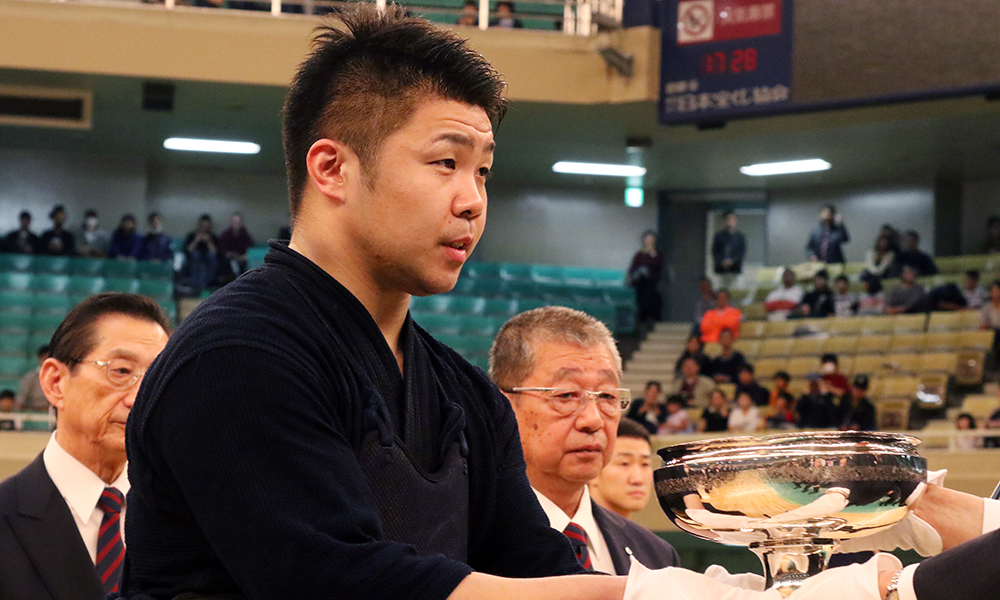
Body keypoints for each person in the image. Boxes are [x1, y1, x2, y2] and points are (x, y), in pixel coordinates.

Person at [119, 9, 635, 600]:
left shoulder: (462, 393)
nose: (473, 201)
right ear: (333, 168)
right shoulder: (236, 357)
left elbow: (541, 571)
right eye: (447, 162)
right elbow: (340, 583)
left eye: (483, 170)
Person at [0, 293, 171, 600]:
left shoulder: (187, 520)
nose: (139, 399)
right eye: (121, 371)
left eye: (156, 378)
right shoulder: (7, 513)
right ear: (55, 382)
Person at [493, 306, 680, 576]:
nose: (593, 420)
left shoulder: (656, 557)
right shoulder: (459, 546)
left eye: (607, 396)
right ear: (502, 404)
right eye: (567, 395)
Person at [590, 418, 655, 521]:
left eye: (645, 464)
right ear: (592, 470)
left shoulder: (641, 537)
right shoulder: (568, 534)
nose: (638, 479)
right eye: (624, 463)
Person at [627, 230, 664, 330]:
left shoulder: (658, 255)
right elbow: (633, 269)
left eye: (651, 239)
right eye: (647, 239)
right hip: (640, 286)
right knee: (642, 304)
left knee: (653, 302)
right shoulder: (639, 255)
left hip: (652, 285)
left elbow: (659, 269)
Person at [182, 213, 220, 294]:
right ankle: (195, 284)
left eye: (206, 225)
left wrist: (208, 241)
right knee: (195, 255)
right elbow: (187, 250)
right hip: (194, 262)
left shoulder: (214, 237)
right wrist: (196, 240)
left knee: (211, 257)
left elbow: (215, 252)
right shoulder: (191, 235)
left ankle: (209, 284)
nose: (204, 227)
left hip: (208, 262)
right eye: (202, 225)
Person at [711, 211, 746, 287]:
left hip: (735, 269)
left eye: (732, 220)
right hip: (721, 270)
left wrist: (732, 261)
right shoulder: (719, 235)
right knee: (721, 291)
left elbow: (741, 252)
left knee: (735, 290)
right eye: (728, 219)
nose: (730, 222)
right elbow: (715, 251)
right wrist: (722, 261)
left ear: (736, 221)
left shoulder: (740, 237)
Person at [218, 212, 254, 278]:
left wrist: (241, 257)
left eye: (238, 222)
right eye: (234, 222)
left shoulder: (246, 235)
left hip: (242, 259)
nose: (236, 225)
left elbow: (250, 250)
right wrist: (229, 254)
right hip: (228, 260)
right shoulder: (225, 235)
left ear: (242, 223)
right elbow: (221, 250)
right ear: (231, 223)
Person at [16, 345, 50, 412]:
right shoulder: (30, 377)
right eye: (44, 358)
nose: (47, 361)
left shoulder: (60, 377)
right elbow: (21, 398)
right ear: (39, 358)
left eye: (49, 358)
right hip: (33, 413)